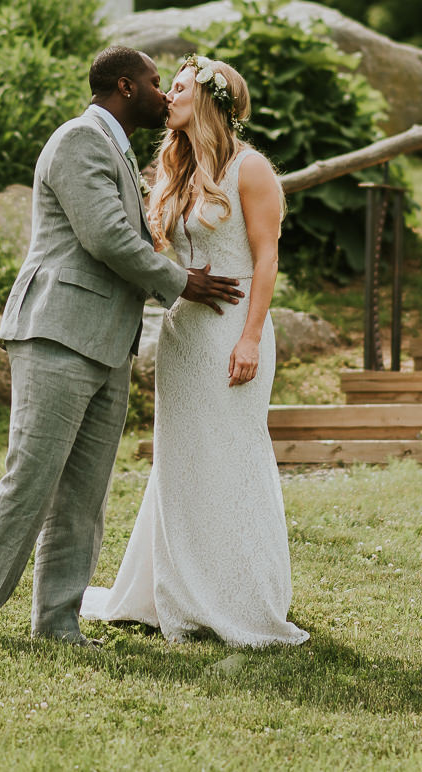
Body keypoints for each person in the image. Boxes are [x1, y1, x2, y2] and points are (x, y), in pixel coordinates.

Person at [0, 45, 245, 649]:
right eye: (157, 84)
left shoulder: (121, 152)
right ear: (126, 87)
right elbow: (105, 237)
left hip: (106, 345)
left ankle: (56, 622)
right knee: (31, 478)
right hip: (58, 333)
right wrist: (183, 283)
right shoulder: (79, 139)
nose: (165, 94)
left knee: (84, 493)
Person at [81, 55, 310, 647]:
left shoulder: (250, 168)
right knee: (180, 462)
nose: (166, 96)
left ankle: (242, 596)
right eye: (165, 87)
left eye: (177, 88)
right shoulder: (173, 170)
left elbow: (266, 258)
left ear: (208, 99)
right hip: (183, 337)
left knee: (233, 456)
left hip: (234, 332)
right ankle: (176, 591)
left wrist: (252, 337)